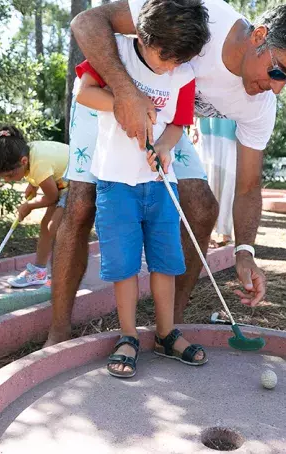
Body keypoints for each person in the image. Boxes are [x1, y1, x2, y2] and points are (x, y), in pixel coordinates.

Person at [46, 0, 286, 347]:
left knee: (201, 208)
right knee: (80, 204)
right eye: (278, 72)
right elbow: (88, 21)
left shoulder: (260, 107)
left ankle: (168, 329)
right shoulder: (198, 12)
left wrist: (245, 252)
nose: (276, 88)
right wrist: (124, 91)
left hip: (168, 123)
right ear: (260, 36)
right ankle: (58, 330)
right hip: (109, 96)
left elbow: (248, 186)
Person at [73, 0, 209, 378]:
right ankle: (129, 336)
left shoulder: (183, 73)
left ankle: (165, 334)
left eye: (179, 60)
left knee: (166, 261)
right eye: (165, 57)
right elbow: (84, 93)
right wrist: (127, 99)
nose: (171, 67)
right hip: (116, 182)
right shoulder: (115, 54)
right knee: (124, 264)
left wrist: (164, 146)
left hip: (160, 183)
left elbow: (179, 122)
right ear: (143, 36)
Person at [0, 126, 68, 288]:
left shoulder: (38, 164)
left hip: (80, 183)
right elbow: (45, 170)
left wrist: (29, 206)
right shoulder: (28, 152)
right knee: (47, 227)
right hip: (64, 182)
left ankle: (67, 273)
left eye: (9, 175)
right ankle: (39, 272)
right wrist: (33, 185)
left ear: (23, 161)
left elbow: (52, 197)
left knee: (54, 226)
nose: (7, 180)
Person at [197, 117, 238, 246]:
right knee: (207, 176)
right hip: (206, 123)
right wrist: (193, 125)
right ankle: (206, 233)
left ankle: (226, 231)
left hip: (230, 122)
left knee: (229, 177)